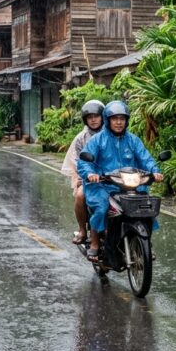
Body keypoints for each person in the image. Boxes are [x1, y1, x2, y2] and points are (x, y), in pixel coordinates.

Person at [77, 101, 163, 262]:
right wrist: (90, 174)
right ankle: (95, 242)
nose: (118, 122)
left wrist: (155, 172)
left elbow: (145, 158)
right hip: (103, 185)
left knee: (145, 207)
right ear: (108, 120)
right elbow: (84, 161)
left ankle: (145, 243)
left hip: (129, 185)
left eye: (122, 119)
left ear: (126, 121)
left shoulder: (133, 140)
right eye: (114, 118)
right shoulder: (98, 140)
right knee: (101, 208)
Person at [62, 100, 105, 245]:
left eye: (96, 116)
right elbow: (76, 161)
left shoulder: (112, 133)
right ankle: (82, 230)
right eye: (89, 117)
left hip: (113, 178)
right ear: (85, 120)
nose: (93, 120)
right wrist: (82, 177)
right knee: (81, 196)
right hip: (90, 178)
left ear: (103, 117)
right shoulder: (81, 138)